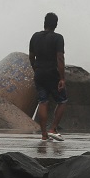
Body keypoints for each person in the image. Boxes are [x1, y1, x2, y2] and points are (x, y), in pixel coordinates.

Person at [29, 12, 67, 141]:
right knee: (62, 101)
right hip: (52, 73)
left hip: (39, 73)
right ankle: (53, 129)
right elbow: (60, 58)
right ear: (56, 24)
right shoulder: (58, 38)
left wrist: (36, 69)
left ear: (44, 23)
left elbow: (31, 56)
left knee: (43, 102)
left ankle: (44, 134)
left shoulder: (35, 36)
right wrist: (62, 78)